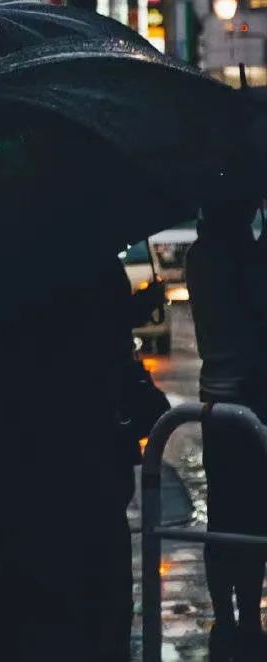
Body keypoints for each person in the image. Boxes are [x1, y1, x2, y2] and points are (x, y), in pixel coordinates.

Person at [187, 199, 267, 662]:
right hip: (248, 400)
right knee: (251, 516)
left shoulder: (202, 255)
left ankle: (228, 621)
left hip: (215, 397)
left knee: (225, 514)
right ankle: (247, 622)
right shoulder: (242, 258)